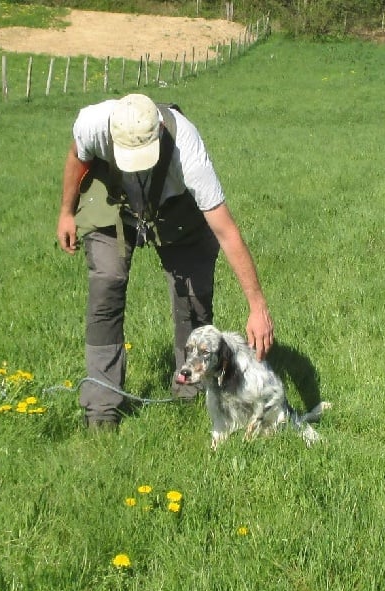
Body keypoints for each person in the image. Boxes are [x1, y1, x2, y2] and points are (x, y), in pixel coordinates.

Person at [57, 93, 274, 430]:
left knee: (193, 297)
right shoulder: (93, 124)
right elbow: (77, 156)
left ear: (159, 131)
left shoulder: (187, 148)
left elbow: (226, 230)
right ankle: (101, 408)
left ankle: (189, 392)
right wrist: (67, 213)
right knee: (106, 288)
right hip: (112, 202)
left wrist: (257, 306)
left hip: (176, 208)